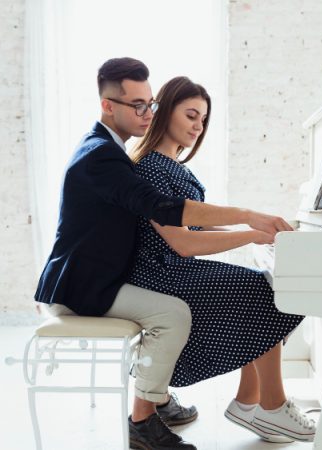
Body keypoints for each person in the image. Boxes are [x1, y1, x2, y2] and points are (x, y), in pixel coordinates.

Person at [33, 58, 294, 450]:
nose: (146, 112)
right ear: (108, 105)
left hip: (103, 275)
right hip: (83, 286)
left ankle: (188, 399)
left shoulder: (111, 151)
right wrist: (248, 221)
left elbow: (181, 224)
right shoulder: (103, 157)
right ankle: (144, 421)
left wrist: (249, 229)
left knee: (242, 289)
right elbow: (169, 216)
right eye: (137, 104)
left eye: (149, 103)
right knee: (174, 313)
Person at [127, 76, 317, 443]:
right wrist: (250, 232)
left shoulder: (174, 166)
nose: (198, 127)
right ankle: (269, 406)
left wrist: (258, 235)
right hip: (158, 273)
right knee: (262, 291)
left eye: (203, 120)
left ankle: (252, 400)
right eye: (191, 115)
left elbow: (194, 236)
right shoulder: (150, 166)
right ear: (165, 112)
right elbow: (181, 243)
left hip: (174, 266)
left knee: (259, 285)